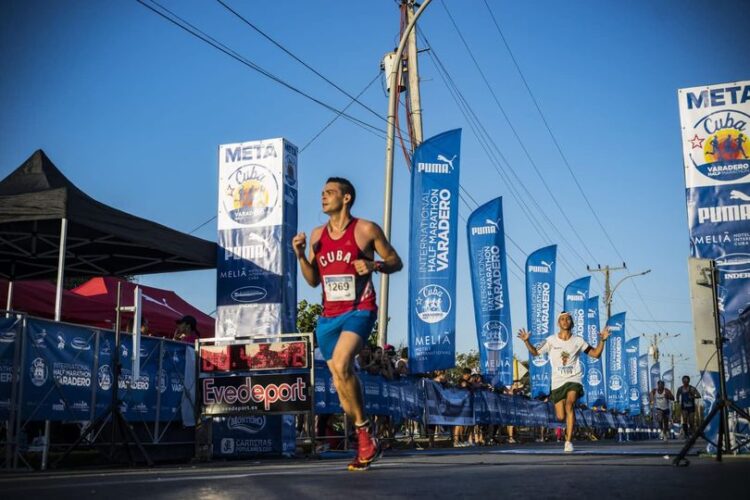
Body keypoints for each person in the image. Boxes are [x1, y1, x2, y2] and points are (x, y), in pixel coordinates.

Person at [292, 177, 402, 471]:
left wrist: (374, 265)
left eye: (330, 193)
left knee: (342, 364)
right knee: (340, 383)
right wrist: (301, 255)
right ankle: (365, 438)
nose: (323, 197)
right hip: (328, 317)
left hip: (359, 310)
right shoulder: (317, 235)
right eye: (322, 193)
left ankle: (364, 434)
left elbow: (395, 261)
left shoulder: (365, 229)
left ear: (347, 198)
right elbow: (313, 280)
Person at [518, 311, 610, 453]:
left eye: (567, 319)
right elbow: (535, 352)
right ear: (558, 323)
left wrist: (602, 340)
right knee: (560, 416)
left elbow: (596, 354)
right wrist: (526, 341)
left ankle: (568, 441)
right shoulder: (551, 340)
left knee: (570, 404)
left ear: (571, 323)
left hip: (574, 378)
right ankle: (567, 426)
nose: (565, 321)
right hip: (557, 381)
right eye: (562, 319)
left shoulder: (578, 341)